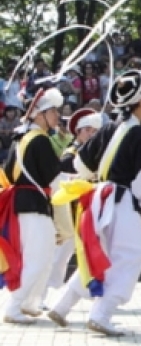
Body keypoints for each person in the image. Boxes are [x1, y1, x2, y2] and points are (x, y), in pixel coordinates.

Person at [48, 70, 141, 336]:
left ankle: (62, 306)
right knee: (127, 258)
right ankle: (101, 314)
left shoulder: (108, 129)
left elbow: (80, 164)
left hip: (98, 200)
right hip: (122, 202)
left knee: (97, 255)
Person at [0, 86, 68, 324]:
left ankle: (29, 302)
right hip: (35, 206)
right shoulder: (40, 140)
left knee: (38, 256)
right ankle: (15, 306)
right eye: (53, 112)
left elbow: (8, 173)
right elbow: (55, 180)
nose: (57, 116)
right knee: (39, 258)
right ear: (39, 115)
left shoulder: (20, 139)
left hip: (22, 205)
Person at [43, 108, 102, 308]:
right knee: (59, 255)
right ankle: (42, 295)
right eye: (90, 131)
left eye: (96, 132)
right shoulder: (71, 155)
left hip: (85, 209)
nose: (93, 135)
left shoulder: (92, 154)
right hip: (69, 210)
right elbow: (59, 181)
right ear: (80, 132)